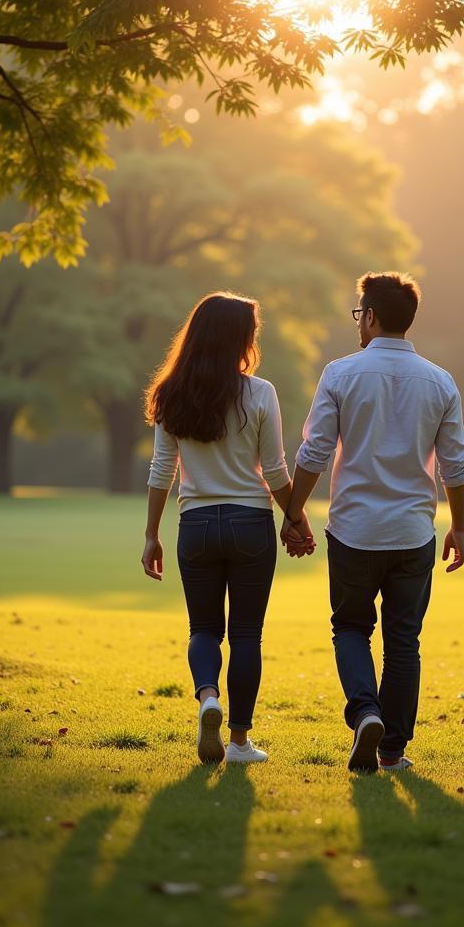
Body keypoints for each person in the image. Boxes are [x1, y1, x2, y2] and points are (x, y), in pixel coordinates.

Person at [281, 271, 464, 773]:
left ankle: (366, 710)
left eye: (358, 313)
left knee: (349, 628)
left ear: (370, 317)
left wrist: (294, 511)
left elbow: (315, 451)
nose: (357, 322)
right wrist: (460, 525)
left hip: (354, 531)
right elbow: (455, 465)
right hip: (413, 533)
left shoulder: (340, 374)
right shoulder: (440, 381)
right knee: (404, 641)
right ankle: (392, 751)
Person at [141, 292, 315, 766]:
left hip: (195, 524)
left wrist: (152, 534)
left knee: (202, 628)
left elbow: (162, 470)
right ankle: (238, 741)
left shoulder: (170, 392)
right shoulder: (260, 393)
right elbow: (276, 470)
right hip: (249, 524)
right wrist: (296, 519)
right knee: (245, 634)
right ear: (241, 338)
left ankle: (207, 699)